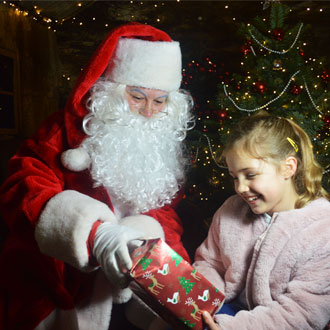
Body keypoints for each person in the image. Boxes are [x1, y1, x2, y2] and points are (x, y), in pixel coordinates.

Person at [0, 22, 194, 330]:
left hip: (127, 287)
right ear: (114, 91)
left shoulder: (162, 147)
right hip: (57, 282)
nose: (148, 111)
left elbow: (166, 215)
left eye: (160, 101)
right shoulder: (62, 131)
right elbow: (21, 188)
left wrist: (143, 241)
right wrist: (94, 233)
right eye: (137, 96)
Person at [191, 111, 330, 330]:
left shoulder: (323, 229)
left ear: (288, 167)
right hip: (223, 309)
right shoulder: (231, 209)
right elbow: (209, 263)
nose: (240, 188)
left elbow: (301, 313)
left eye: (250, 175)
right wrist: (203, 303)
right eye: (235, 177)